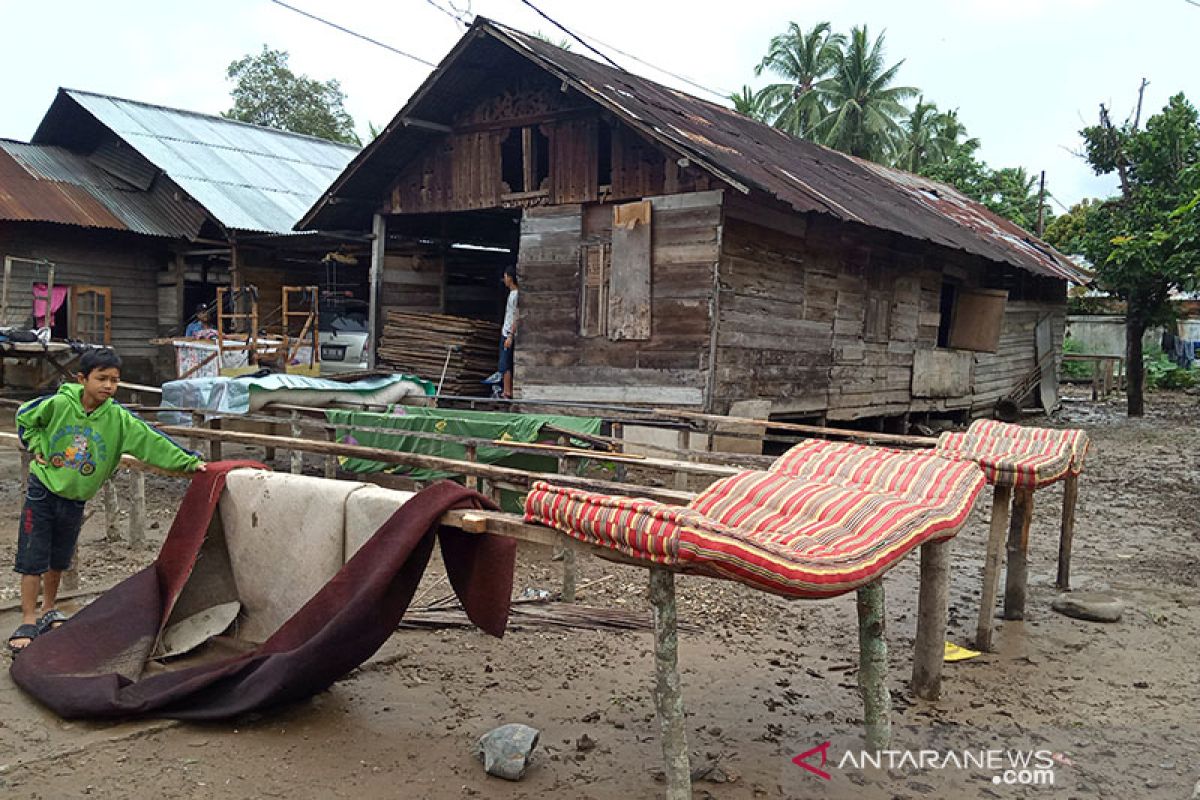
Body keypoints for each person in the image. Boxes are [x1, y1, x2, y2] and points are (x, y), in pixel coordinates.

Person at [8, 349, 206, 655]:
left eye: (114, 380)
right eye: (101, 378)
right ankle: (28, 618)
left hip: (76, 497)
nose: (108, 386)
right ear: (82, 379)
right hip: (43, 490)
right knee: (33, 555)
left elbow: (152, 441)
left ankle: (48, 609)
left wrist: (190, 463)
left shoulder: (119, 419)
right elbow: (25, 418)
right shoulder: (60, 403)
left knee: (59, 557)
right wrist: (36, 444)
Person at [498, 266, 518, 399]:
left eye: (505, 277)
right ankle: (506, 390)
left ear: (510, 278)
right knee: (504, 363)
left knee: (505, 363)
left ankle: (507, 391)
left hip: (508, 333)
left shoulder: (516, 295)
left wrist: (510, 335)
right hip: (505, 331)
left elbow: (516, 315)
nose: (504, 280)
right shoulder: (512, 294)